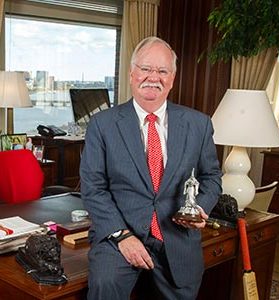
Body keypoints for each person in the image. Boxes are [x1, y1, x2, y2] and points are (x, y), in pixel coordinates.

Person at [80, 36, 222, 300]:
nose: (153, 77)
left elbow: (211, 176)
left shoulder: (198, 124)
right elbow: (93, 189)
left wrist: (199, 208)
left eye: (162, 71)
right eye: (146, 69)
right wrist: (122, 236)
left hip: (177, 235)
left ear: (172, 78)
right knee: (105, 284)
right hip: (119, 233)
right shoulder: (103, 124)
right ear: (132, 73)